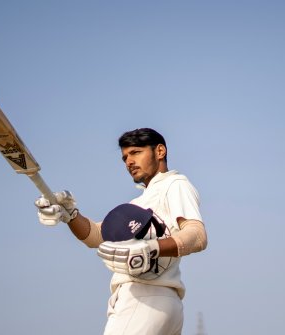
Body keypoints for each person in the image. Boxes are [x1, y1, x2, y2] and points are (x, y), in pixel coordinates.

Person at [34, 128, 208, 335]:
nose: (129, 162)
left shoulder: (174, 183)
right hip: (160, 303)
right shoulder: (140, 201)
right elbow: (97, 236)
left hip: (143, 297)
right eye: (125, 157)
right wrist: (70, 215)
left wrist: (149, 248)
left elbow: (197, 235)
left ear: (160, 151)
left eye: (136, 152)